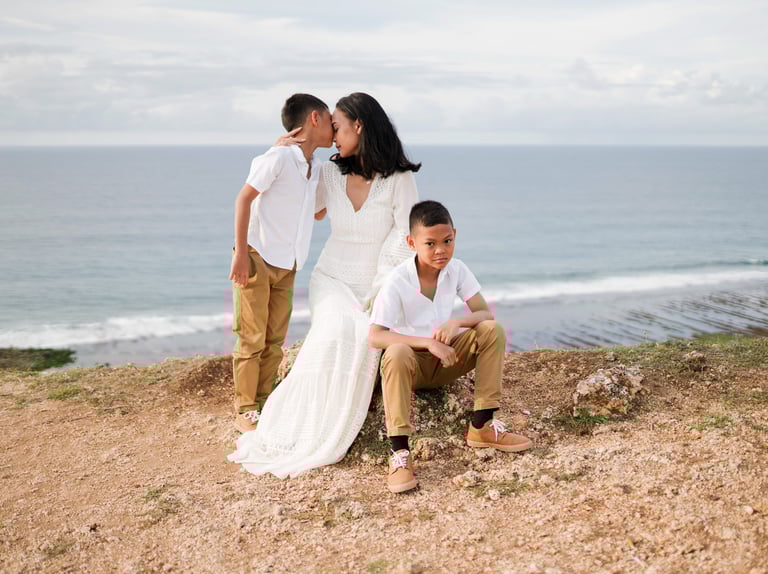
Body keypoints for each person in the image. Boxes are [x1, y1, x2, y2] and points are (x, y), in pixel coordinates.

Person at [228, 92, 421, 477]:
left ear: (359, 127)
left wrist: (381, 286)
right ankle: (292, 423)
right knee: (335, 330)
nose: (333, 134)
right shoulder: (329, 172)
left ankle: (330, 415)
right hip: (331, 277)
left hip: (376, 281)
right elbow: (300, 199)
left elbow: (404, 236)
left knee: (365, 331)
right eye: (330, 125)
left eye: (339, 126)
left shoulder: (400, 179)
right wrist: (277, 153)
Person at [368, 200, 533, 493]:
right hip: (412, 367)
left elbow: (485, 313)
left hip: (448, 361)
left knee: (490, 330)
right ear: (412, 242)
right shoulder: (397, 281)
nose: (440, 249)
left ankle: (482, 426)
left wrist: (456, 322)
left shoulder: (457, 270)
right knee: (395, 351)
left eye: (447, 241)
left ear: (455, 235)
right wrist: (428, 343)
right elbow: (376, 336)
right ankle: (400, 454)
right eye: (430, 243)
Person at [229, 93, 334, 433]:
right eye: (331, 119)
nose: (335, 126)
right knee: (252, 335)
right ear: (314, 119)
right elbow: (243, 199)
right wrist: (242, 253)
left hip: (289, 262)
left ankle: (264, 400)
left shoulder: (315, 168)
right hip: (257, 256)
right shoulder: (277, 157)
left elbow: (317, 212)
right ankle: (245, 407)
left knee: (275, 337)